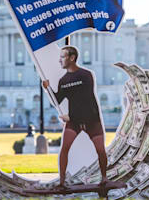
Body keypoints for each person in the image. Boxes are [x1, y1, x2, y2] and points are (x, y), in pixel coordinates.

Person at [42, 46, 108, 189]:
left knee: (100, 150)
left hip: (92, 120)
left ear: (72, 58)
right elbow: (57, 101)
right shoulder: (63, 80)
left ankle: (104, 178)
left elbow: (86, 99)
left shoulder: (86, 75)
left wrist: (69, 116)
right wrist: (48, 89)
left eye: (63, 57)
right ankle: (61, 182)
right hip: (74, 122)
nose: (60, 60)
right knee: (64, 149)